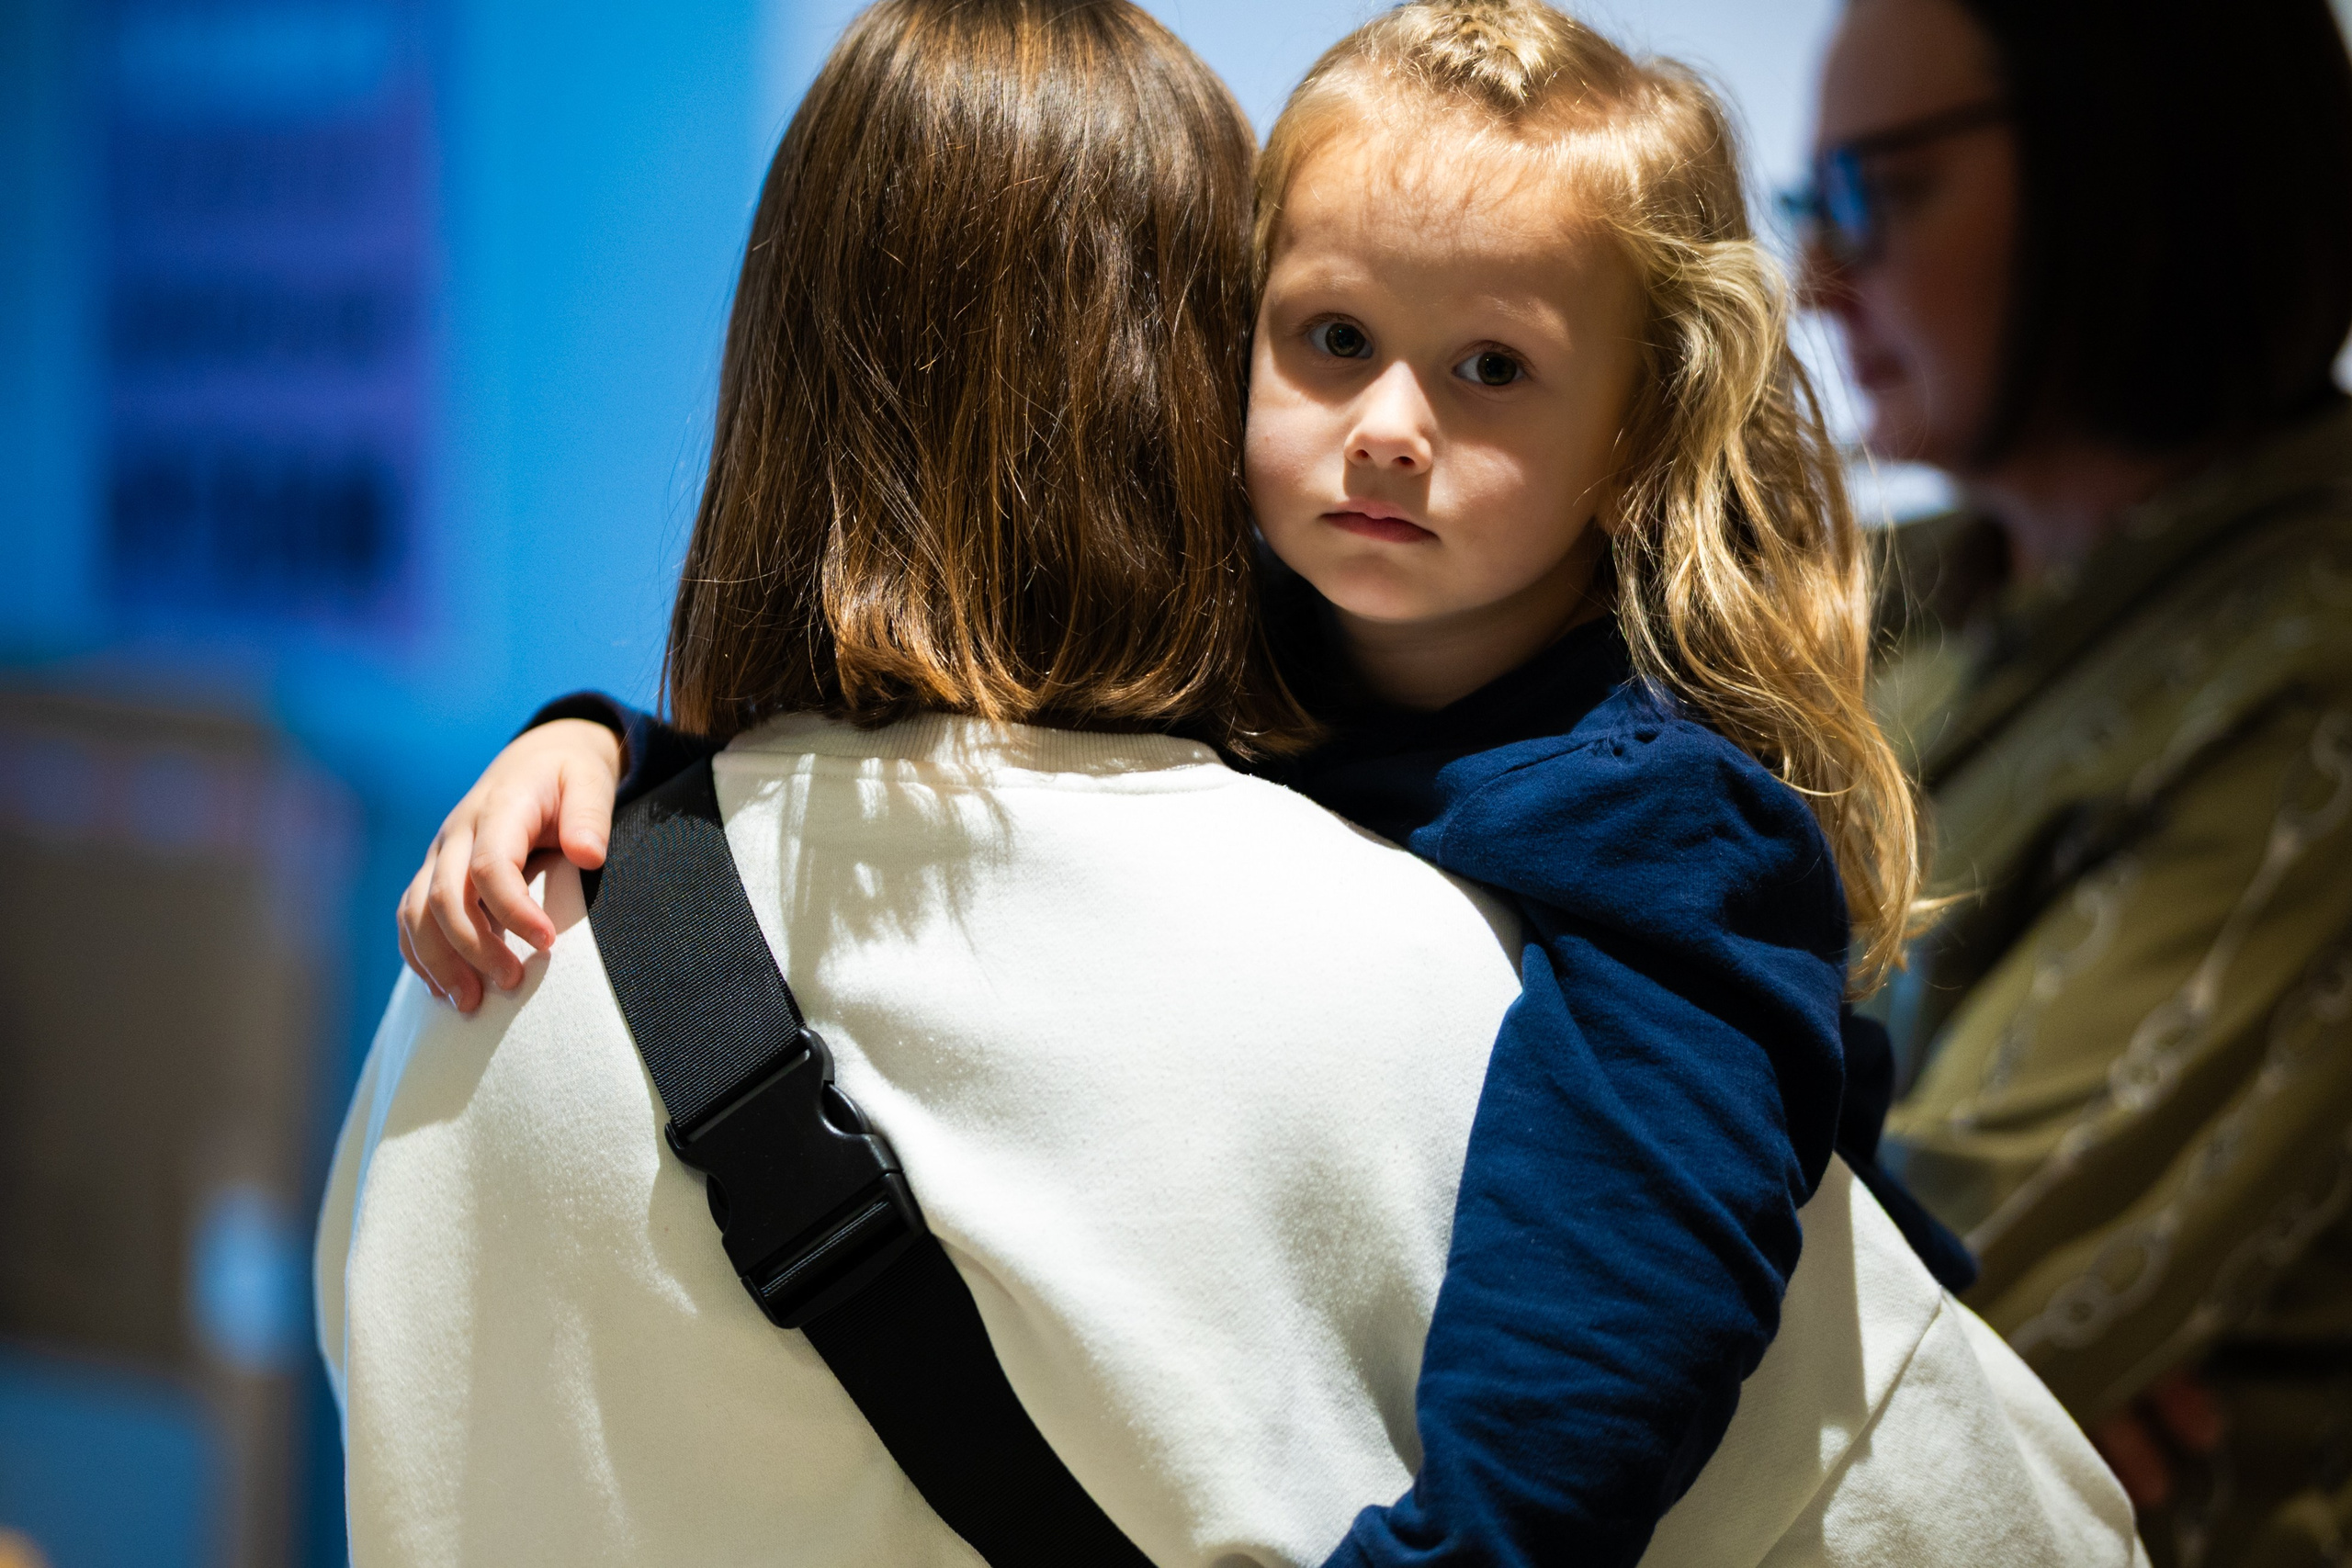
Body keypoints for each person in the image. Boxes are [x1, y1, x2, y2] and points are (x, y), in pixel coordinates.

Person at [387, 2, 2141, 1563]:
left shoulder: (1669, 825)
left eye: (1493, 372)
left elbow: (1624, 1291)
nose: (1388, 423)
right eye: (1326, 337)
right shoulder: (1251, 661)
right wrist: (609, 746)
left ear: (1636, 444)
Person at [1789, 1, 2352, 1562]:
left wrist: (1955, 1394)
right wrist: (1956, 1397)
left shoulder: (2315, 689)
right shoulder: (1908, 586)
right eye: (1808, 205)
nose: (1816, 280)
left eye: (1874, 195)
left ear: (2141, 176)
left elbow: (1935, 1369)